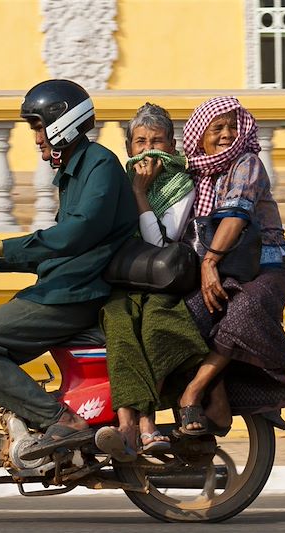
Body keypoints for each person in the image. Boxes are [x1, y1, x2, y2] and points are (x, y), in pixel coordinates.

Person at [0, 79, 138, 460]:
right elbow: (60, 246)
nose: (37, 137)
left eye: (38, 126)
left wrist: (3, 248)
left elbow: (74, 235)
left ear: (61, 123)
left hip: (75, 295)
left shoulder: (100, 165)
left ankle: (60, 419)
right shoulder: (76, 170)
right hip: (62, 288)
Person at [176, 96, 285, 436]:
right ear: (199, 134)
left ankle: (192, 391)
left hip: (268, 268)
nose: (226, 134)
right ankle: (217, 396)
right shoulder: (193, 174)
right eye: (217, 127)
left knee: (243, 309)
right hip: (225, 271)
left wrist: (210, 261)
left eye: (232, 127)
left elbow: (236, 216)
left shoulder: (246, 163)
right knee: (186, 314)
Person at [94, 103, 210, 461]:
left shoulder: (180, 185)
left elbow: (160, 242)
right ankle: (130, 422)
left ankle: (147, 421)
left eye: (156, 141)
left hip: (162, 282)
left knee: (159, 326)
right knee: (118, 321)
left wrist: (141, 194)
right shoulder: (114, 181)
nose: (147, 150)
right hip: (122, 278)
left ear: (171, 147)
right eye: (140, 142)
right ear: (129, 147)